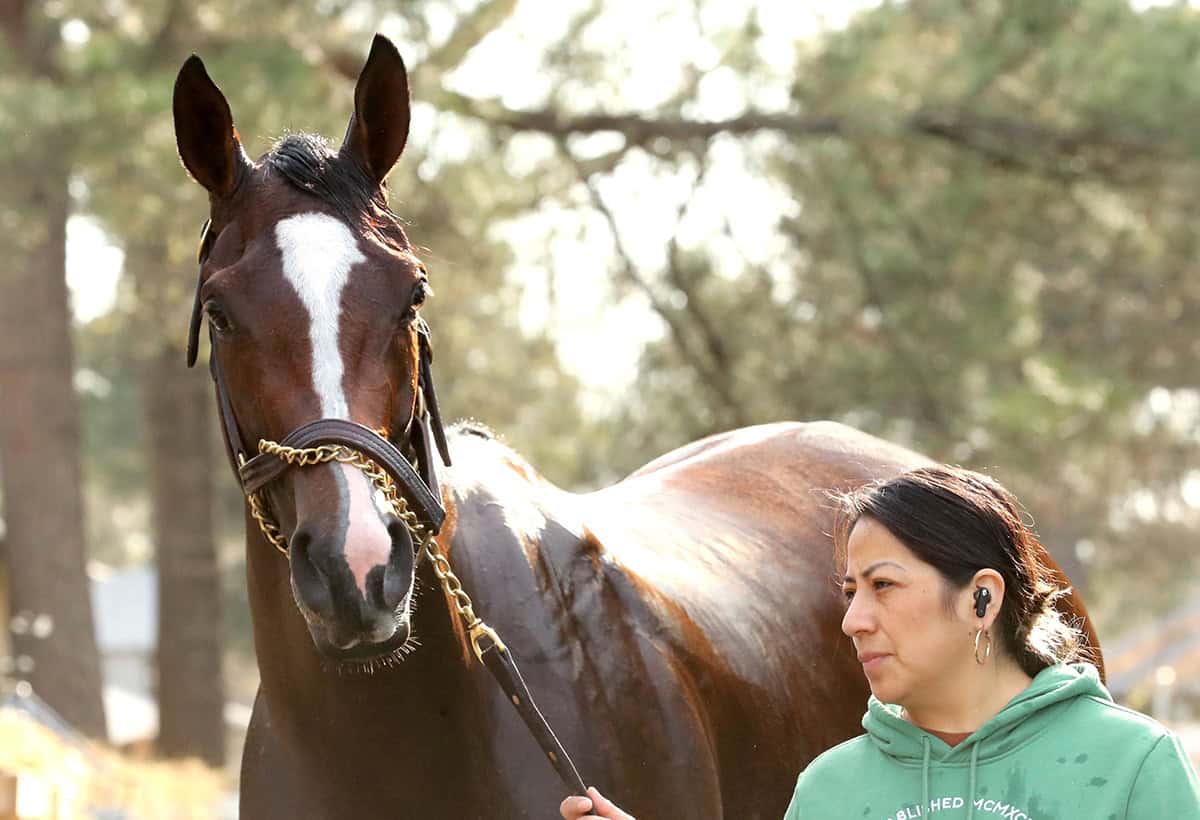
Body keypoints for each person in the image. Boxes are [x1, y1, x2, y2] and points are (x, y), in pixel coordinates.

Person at [560, 465, 1200, 819]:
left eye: (883, 586)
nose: (853, 620)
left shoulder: (1133, 766)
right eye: (849, 592)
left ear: (983, 598)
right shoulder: (829, 791)